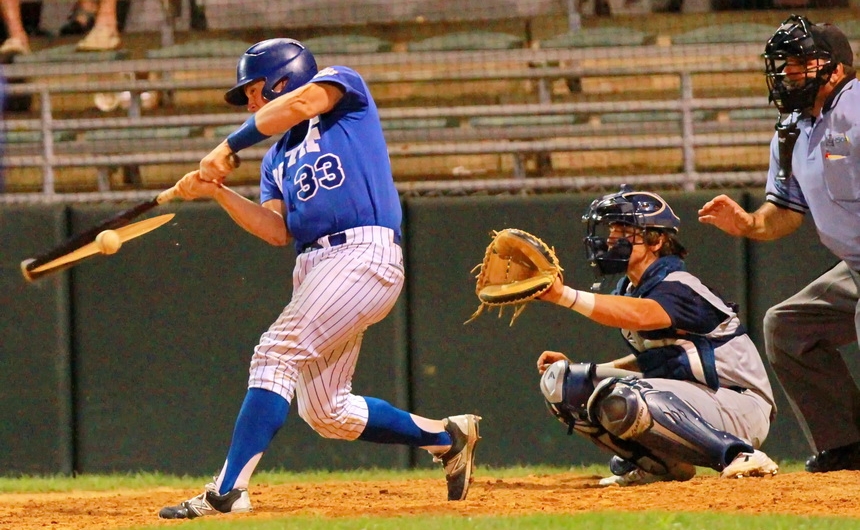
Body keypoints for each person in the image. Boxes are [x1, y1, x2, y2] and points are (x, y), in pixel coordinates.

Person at [156, 38, 481, 519]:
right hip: (314, 266)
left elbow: (305, 102)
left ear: (284, 78)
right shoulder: (274, 159)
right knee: (327, 412)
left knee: (276, 352)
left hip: (363, 253)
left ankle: (228, 491)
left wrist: (228, 146)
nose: (248, 101)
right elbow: (276, 230)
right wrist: (217, 191)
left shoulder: (342, 89)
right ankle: (445, 437)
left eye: (254, 89)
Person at [698, 15, 860, 473]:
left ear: (836, 69)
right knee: (788, 327)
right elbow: (784, 215)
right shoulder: (792, 130)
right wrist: (747, 223)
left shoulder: (857, 108)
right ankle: (847, 446)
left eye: (800, 63)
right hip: (855, 264)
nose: (788, 73)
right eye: (783, 64)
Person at [536, 186, 779, 486]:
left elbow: (642, 314)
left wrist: (564, 296)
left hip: (738, 403)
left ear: (657, 240)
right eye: (612, 228)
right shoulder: (631, 288)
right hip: (692, 397)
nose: (612, 237)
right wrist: (589, 372)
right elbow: (654, 359)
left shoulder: (678, 284)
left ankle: (738, 455)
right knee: (565, 383)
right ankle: (659, 464)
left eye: (624, 229)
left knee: (628, 397)